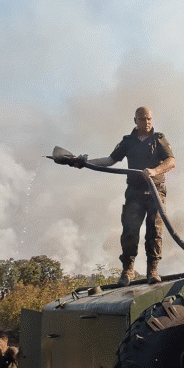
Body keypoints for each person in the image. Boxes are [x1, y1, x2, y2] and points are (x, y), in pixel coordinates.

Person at [75, 106, 175, 286]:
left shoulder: (158, 139)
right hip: (135, 192)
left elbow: (171, 161)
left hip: (155, 191)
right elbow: (110, 160)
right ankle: (127, 270)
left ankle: (152, 270)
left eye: (150, 119)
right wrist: (84, 162)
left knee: (155, 231)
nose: (147, 123)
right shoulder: (128, 141)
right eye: (143, 119)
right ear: (135, 120)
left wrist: (154, 171)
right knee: (130, 231)